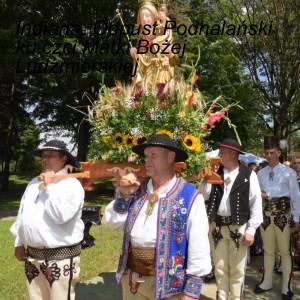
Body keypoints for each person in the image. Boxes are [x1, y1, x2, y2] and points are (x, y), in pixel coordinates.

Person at [104, 134, 212, 300]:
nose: (147, 160)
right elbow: (113, 224)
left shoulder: (189, 196)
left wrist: (191, 292)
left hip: (170, 287)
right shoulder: (136, 191)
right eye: (146, 156)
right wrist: (124, 196)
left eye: (153, 155)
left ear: (170, 157)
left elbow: (199, 244)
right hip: (132, 281)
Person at [10, 140, 85, 300]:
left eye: (50, 155)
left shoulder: (71, 184)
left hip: (60, 259)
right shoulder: (33, 182)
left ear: (63, 158)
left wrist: (50, 186)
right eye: (43, 156)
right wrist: (18, 242)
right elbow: (22, 214)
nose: (45, 159)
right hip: (32, 257)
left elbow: (61, 216)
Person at [199, 138, 263, 300]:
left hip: (238, 227)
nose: (219, 155)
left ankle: (235, 297)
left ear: (233, 154)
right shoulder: (214, 171)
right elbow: (203, 196)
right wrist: (205, 178)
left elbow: (256, 203)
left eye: (222, 152)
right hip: (216, 225)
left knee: (237, 268)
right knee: (219, 266)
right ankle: (221, 297)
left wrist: (251, 229)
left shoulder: (249, 175)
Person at [254, 136, 300, 300]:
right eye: (266, 153)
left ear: (279, 152)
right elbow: (257, 196)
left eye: (272, 152)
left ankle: (286, 286)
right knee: (267, 250)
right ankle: (266, 281)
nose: (269, 155)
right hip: (266, 217)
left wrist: (296, 218)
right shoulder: (260, 173)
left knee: (285, 252)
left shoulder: (289, 173)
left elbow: (295, 197)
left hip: (283, 217)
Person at [130, 1, 178, 88]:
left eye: (147, 16)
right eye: (142, 17)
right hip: (146, 80)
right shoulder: (142, 41)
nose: (144, 19)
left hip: (160, 76)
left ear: (154, 17)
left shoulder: (161, 36)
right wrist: (136, 57)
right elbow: (141, 63)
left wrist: (170, 54)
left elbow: (175, 59)